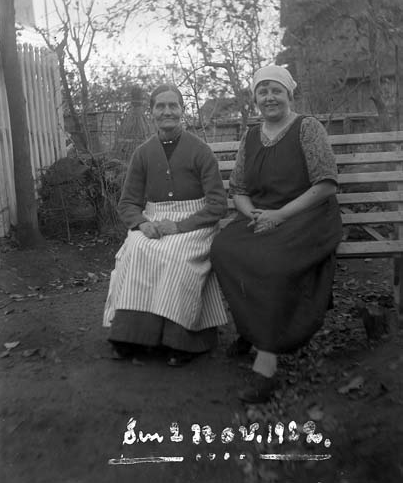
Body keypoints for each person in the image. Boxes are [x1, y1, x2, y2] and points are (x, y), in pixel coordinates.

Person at [211, 65, 343, 402]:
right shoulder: (251, 137)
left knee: (271, 262)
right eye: (263, 91)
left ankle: (266, 363)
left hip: (308, 216)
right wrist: (252, 214)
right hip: (264, 215)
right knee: (224, 248)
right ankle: (251, 328)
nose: (269, 97)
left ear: (289, 95)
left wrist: (280, 215)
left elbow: (326, 184)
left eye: (276, 91)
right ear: (255, 98)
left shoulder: (307, 128)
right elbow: (238, 189)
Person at [103, 84, 228, 366]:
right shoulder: (143, 153)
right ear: (152, 112)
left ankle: (183, 340)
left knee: (176, 257)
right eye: (160, 106)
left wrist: (180, 226)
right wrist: (141, 223)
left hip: (195, 222)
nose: (167, 111)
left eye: (173, 105)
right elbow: (128, 203)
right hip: (154, 220)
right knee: (136, 251)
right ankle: (131, 337)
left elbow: (218, 204)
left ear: (183, 110)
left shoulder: (200, 150)